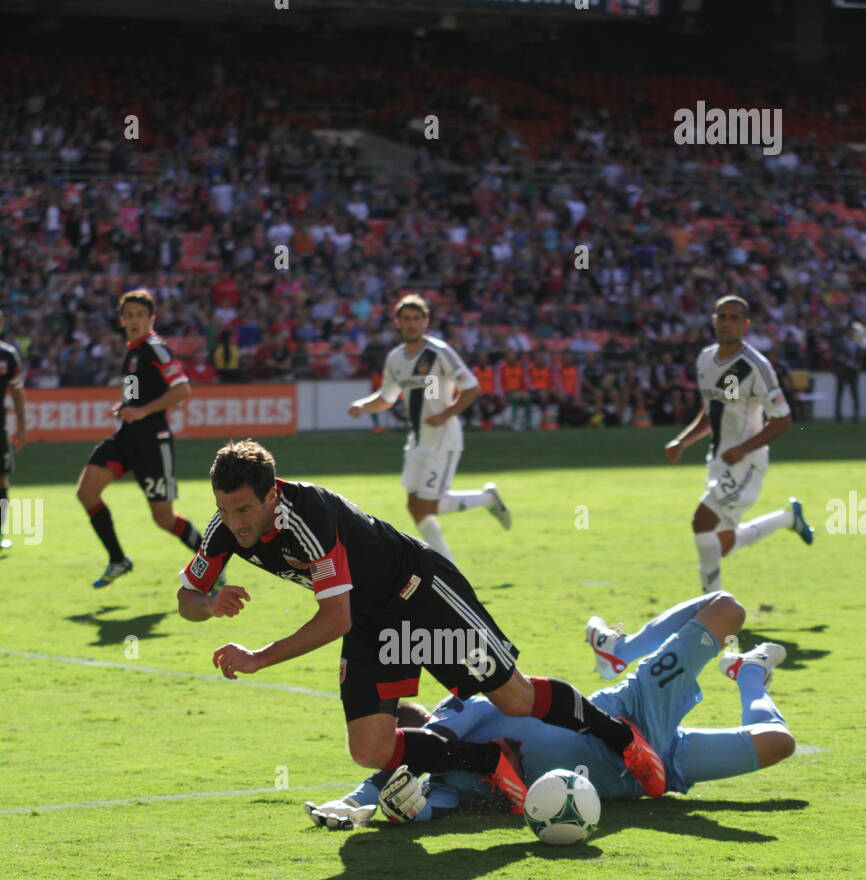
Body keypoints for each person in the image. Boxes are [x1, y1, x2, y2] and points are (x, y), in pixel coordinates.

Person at [176, 437, 668, 804]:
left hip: (421, 593)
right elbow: (186, 597)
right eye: (224, 509)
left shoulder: (306, 517)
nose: (235, 523)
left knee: (515, 698)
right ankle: (488, 761)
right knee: (370, 748)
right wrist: (210, 602)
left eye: (244, 509)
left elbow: (334, 619)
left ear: (270, 494)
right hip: (372, 617)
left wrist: (260, 656)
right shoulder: (226, 527)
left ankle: (623, 739)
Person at [306, 592, 794, 828]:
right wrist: (389, 812)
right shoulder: (447, 782)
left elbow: (405, 754)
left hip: (633, 713)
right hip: (646, 774)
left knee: (725, 608)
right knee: (780, 743)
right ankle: (750, 672)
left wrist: (356, 797)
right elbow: (423, 805)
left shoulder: (462, 711)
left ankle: (621, 648)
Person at [663, 295, 812, 593]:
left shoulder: (755, 366)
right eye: (722, 316)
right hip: (718, 459)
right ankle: (786, 518)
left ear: (746, 325)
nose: (727, 322)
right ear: (713, 320)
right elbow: (711, 410)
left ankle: (710, 606)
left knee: (701, 522)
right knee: (722, 545)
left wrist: (743, 449)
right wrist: (683, 440)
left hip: (746, 463)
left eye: (734, 318)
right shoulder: (705, 358)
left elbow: (782, 419)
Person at [347, 294, 510, 561]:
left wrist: (445, 414)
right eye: (406, 319)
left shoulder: (439, 352)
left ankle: (487, 499)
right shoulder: (396, 359)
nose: (411, 323)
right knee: (415, 506)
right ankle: (447, 565)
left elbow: (471, 388)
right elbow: (385, 399)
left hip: (443, 437)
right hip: (418, 440)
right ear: (398, 322)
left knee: (429, 504)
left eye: (417, 318)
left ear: (426, 321)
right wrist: (362, 406)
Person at [74, 288, 205, 589]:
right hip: (126, 438)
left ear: (151, 318)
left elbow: (182, 390)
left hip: (152, 442)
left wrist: (143, 410)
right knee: (87, 492)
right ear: (122, 319)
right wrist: (126, 407)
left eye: (140, 315)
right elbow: (136, 395)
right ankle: (118, 559)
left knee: (163, 518)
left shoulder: (155, 348)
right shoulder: (133, 351)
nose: (134, 320)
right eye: (129, 315)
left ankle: (209, 564)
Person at [0, 309, 27, 553]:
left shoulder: (8, 355)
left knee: (2, 479)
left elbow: (17, 393)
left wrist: (22, 425)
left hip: (0, 428)